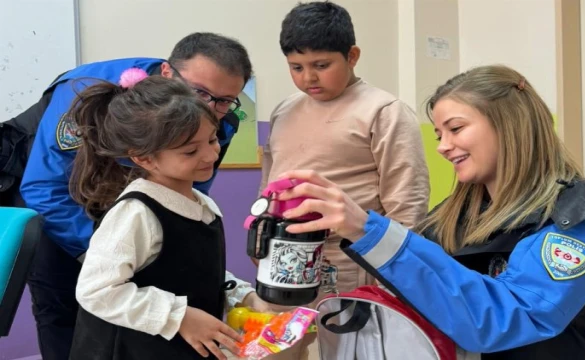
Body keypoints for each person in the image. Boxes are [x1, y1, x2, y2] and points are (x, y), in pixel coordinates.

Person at [274, 65, 585, 359]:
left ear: (510, 123)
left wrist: (367, 228)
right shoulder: (451, 216)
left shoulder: (582, 220)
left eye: (456, 129)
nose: (444, 147)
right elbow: (421, 295)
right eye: (439, 135)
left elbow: (504, 319)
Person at [15, 32, 253, 360]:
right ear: (168, 73)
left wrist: (232, 291)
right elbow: (44, 189)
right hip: (61, 207)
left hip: (132, 216)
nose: (209, 108)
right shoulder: (87, 93)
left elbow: (187, 215)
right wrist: (116, 254)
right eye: (199, 92)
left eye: (224, 101)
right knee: (64, 313)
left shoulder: (213, 122)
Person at [260, 2, 430, 357]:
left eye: (322, 65)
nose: (309, 77)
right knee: (279, 349)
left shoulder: (384, 111)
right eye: (296, 67)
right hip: (285, 261)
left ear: (352, 56)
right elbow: (270, 186)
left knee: (348, 351)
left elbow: (407, 203)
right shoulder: (284, 110)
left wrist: (396, 275)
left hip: (353, 267)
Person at [66, 73, 269, 360]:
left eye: (212, 139)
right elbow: (96, 291)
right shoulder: (135, 213)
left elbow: (194, 271)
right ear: (144, 158)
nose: (211, 155)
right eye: (190, 151)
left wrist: (241, 295)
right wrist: (181, 317)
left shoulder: (203, 203)